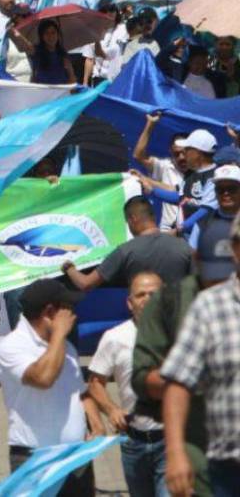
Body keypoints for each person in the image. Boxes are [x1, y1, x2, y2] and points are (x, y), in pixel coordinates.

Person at [159, 215, 240, 496]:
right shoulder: (209, 307)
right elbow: (178, 382)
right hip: (230, 472)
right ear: (236, 250)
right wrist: (176, 453)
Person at [0, 278, 98, 496]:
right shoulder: (12, 346)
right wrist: (59, 334)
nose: (73, 315)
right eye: (68, 308)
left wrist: (95, 422)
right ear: (50, 312)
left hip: (76, 456)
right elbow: (43, 378)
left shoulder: (67, 347)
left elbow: (79, 391)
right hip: (35, 458)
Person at [86, 271, 165, 497]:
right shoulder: (115, 337)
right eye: (141, 295)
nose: (147, 299)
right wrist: (111, 409)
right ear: (130, 303)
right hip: (133, 441)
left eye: (154, 294)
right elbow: (95, 382)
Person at [62, 196, 193, 290]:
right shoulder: (184, 247)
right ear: (153, 216)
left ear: (133, 219)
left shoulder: (125, 251)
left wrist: (69, 268)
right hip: (183, 322)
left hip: (146, 323)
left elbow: (85, 284)